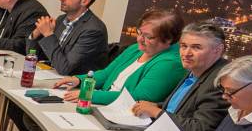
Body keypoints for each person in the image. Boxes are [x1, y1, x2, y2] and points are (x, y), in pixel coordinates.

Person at [54, 8, 187, 104]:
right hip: (103, 105)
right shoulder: (136, 49)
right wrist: (79, 80)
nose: (140, 39)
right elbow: (106, 74)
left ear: (168, 39)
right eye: (139, 32)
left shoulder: (170, 63)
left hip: (121, 113)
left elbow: (135, 98)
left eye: (148, 37)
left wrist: (89, 95)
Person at [130, 19, 229, 131]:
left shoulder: (221, 82)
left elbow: (200, 130)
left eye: (196, 48)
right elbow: (182, 108)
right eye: (183, 46)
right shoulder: (196, 68)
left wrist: (156, 112)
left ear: (218, 50)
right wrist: (157, 106)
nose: (186, 53)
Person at [27, 0, 112, 76]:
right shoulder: (61, 20)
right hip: (53, 78)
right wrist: (36, 34)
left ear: (85, 1)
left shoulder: (93, 30)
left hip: (76, 87)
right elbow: (33, 57)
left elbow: (65, 69)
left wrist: (49, 35)